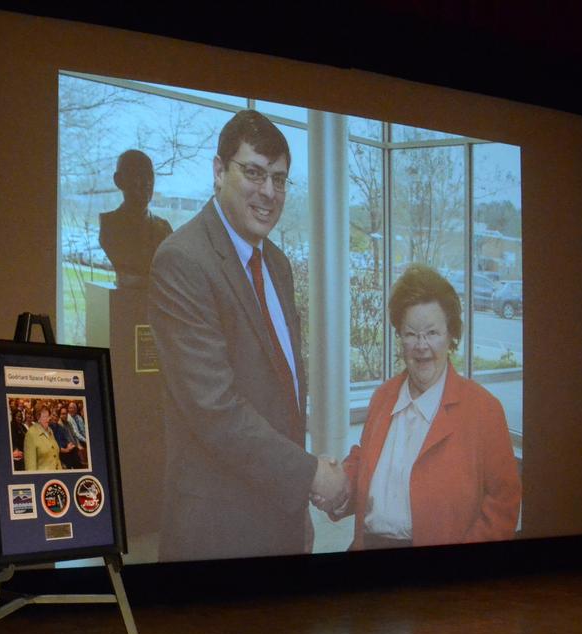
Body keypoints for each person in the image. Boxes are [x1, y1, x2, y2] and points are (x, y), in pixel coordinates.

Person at [148, 109, 347, 562]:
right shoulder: (182, 260)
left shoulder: (275, 263)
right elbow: (215, 408)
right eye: (254, 173)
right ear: (219, 171)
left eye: (279, 179)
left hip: (281, 518)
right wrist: (312, 475)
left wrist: (298, 501)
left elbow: (281, 392)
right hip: (219, 532)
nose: (269, 193)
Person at [328, 264, 521, 549]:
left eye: (432, 333)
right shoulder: (383, 396)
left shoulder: (483, 410)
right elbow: (367, 459)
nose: (421, 346)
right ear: (400, 338)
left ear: (451, 336)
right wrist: (336, 482)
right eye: (410, 334)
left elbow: (503, 505)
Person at [99, 150, 173, 289]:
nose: (147, 182)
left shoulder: (164, 229)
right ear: (119, 180)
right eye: (138, 175)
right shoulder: (109, 226)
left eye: (150, 176)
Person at [22, 403, 63, 471]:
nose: (49, 419)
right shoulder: (31, 434)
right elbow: (30, 468)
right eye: (45, 416)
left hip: (57, 478)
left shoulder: (50, 430)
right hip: (42, 479)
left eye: (49, 416)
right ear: (38, 417)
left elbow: (56, 457)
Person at [64, 400, 88, 466]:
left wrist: (87, 438)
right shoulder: (68, 418)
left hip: (82, 439)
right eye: (70, 408)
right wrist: (86, 440)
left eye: (73, 408)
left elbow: (83, 430)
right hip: (76, 441)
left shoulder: (78, 417)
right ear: (68, 409)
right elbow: (76, 433)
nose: (72, 409)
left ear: (76, 409)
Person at [9, 406, 28, 471]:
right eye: (18, 416)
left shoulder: (22, 426)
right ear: (14, 417)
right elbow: (13, 440)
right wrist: (16, 450)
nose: (19, 418)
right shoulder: (11, 426)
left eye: (20, 417)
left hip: (25, 450)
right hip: (18, 452)